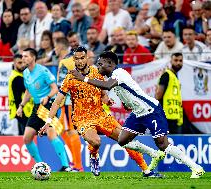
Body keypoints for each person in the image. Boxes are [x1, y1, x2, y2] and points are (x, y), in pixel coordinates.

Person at [69, 51, 205, 178]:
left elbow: (107, 86)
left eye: (100, 63)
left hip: (151, 110)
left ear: (109, 63)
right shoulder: (114, 77)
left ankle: (196, 168)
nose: (97, 66)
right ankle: (153, 154)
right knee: (122, 140)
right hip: (138, 113)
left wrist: (83, 79)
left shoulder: (119, 72)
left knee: (162, 144)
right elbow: (126, 99)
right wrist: (127, 104)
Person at [39, 47, 165, 177]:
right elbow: (57, 101)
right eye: (76, 59)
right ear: (73, 59)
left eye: (82, 58)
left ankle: (146, 170)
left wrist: (106, 100)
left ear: (87, 58)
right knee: (96, 142)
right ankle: (94, 156)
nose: (80, 61)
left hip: (101, 115)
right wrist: (48, 122)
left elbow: (103, 94)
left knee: (125, 141)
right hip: (82, 118)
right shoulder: (70, 78)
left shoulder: (96, 72)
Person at [16, 48, 71, 172]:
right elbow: (28, 91)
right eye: (22, 56)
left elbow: (55, 89)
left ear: (33, 58)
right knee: (27, 138)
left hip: (48, 106)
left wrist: (47, 96)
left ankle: (66, 166)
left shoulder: (43, 71)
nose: (23, 58)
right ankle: (40, 166)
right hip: (37, 108)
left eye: (26, 56)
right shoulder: (25, 73)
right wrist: (21, 105)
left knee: (51, 135)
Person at [55, 38, 83, 172]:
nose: (55, 50)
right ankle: (74, 163)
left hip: (67, 101)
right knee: (60, 129)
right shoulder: (80, 61)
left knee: (70, 130)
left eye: (56, 47)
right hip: (78, 100)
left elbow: (62, 85)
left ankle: (77, 165)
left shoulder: (65, 62)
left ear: (60, 47)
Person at [156, 53, 183, 134]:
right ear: (171, 61)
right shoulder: (166, 75)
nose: (178, 63)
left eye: (180, 61)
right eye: (176, 60)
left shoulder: (175, 77)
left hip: (174, 116)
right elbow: (158, 95)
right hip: (166, 117)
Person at [8, 54, 33, 135]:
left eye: (23, 63)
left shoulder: (16, 75)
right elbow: (17, 97)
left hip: (21, 111)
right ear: (14, 63)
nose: (22, 65)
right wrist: (20, 110)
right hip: (23, 112)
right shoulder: (17, 78)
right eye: (19, 63)